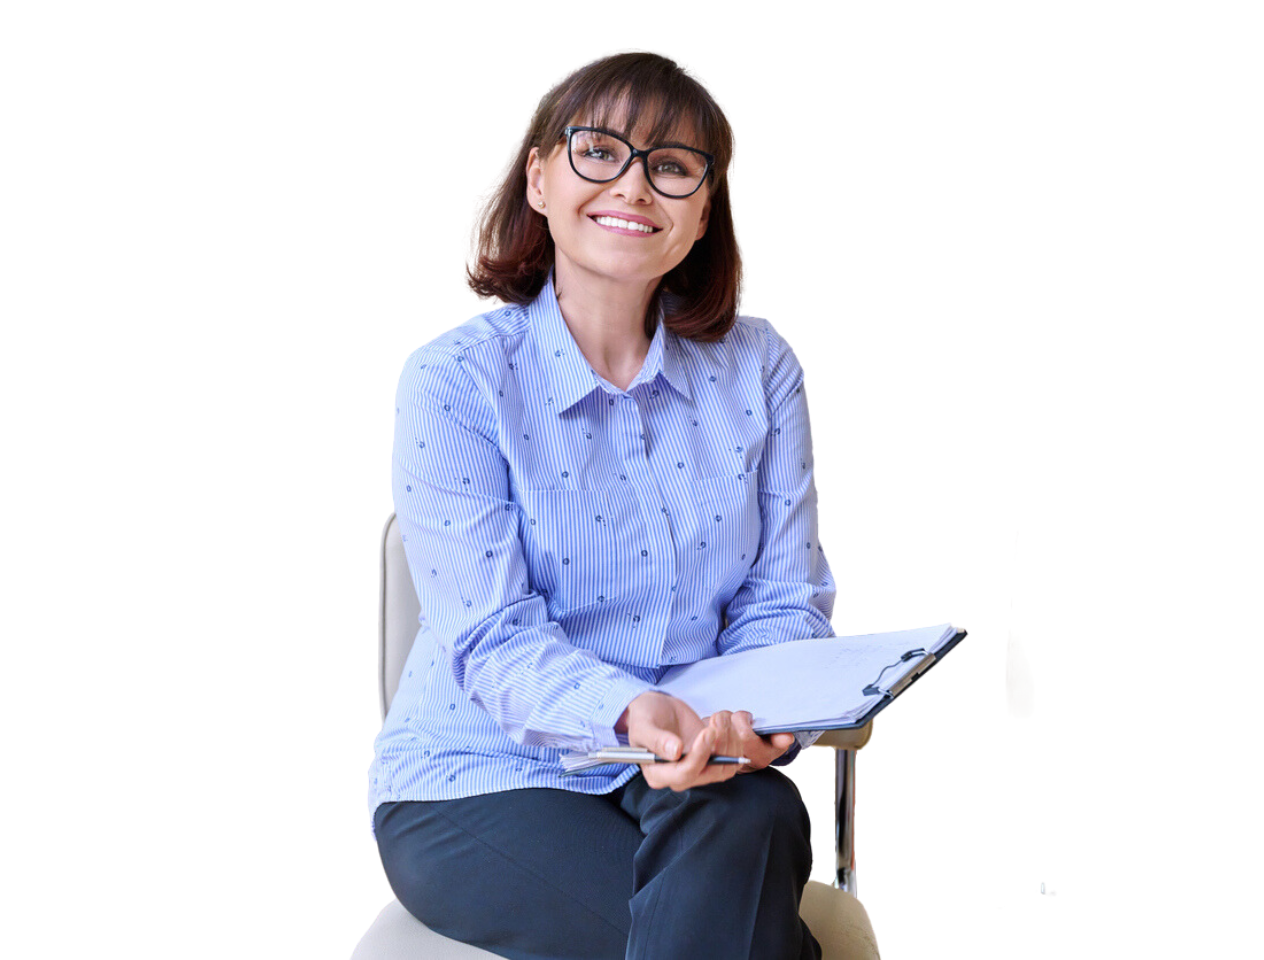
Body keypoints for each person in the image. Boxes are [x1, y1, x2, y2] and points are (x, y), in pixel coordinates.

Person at [368, 52, 836, 960]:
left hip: (693, 770)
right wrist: (632, 713)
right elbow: (493, 639)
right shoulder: (456, 382)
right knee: (759, 929)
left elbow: (784, 598)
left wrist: (750, 712)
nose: (633, 183)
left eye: (670, 166)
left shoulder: (760, 370)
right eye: (600, 150)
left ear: (703, 212)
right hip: (477, 782)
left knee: (758, 805)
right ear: (539, 178)